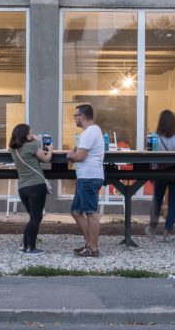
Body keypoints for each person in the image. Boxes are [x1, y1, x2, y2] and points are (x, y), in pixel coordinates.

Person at [66, 104, 104, 257]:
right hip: (87, 176)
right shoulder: (93, 131)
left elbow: (80, 156)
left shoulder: (89, 132)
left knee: (91, 212)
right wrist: (75, 150)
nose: (74, 118)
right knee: (76, 211)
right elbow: (80, 150)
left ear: (82, 117)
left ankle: (93, 249)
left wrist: (70, 155)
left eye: (75, 115)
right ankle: (89, 244)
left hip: (89, 177)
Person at [8, 123, 52, 254]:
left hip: (23, 188)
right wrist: (50, 148)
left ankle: (24, 245)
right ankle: (31, 248)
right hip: (36, 186)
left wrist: (33, 139)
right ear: (25, 135)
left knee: (33, 217)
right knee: (36, 218)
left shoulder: (12, 149)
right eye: (31, 133)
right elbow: (46, 159)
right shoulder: (32, 146)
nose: (33, 134)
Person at [147, 109, 175, 240]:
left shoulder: (155, 137)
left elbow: (150, 156)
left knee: (157, 200)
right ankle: (168, 231)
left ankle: (152, 228)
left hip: (160, 171)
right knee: (173, 202)